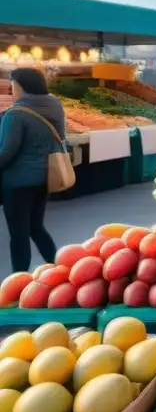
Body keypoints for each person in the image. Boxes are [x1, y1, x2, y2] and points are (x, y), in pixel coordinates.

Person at [0, 68, 65, 272]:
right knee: (36, 228)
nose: (11, 89)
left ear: (20, 86)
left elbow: (7, 151)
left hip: (18, 182)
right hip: (44, 177)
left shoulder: (16, 114)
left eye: (13, 85)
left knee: (18, 235)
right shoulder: (55, 106)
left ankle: (19, 282)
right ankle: (59, 268)